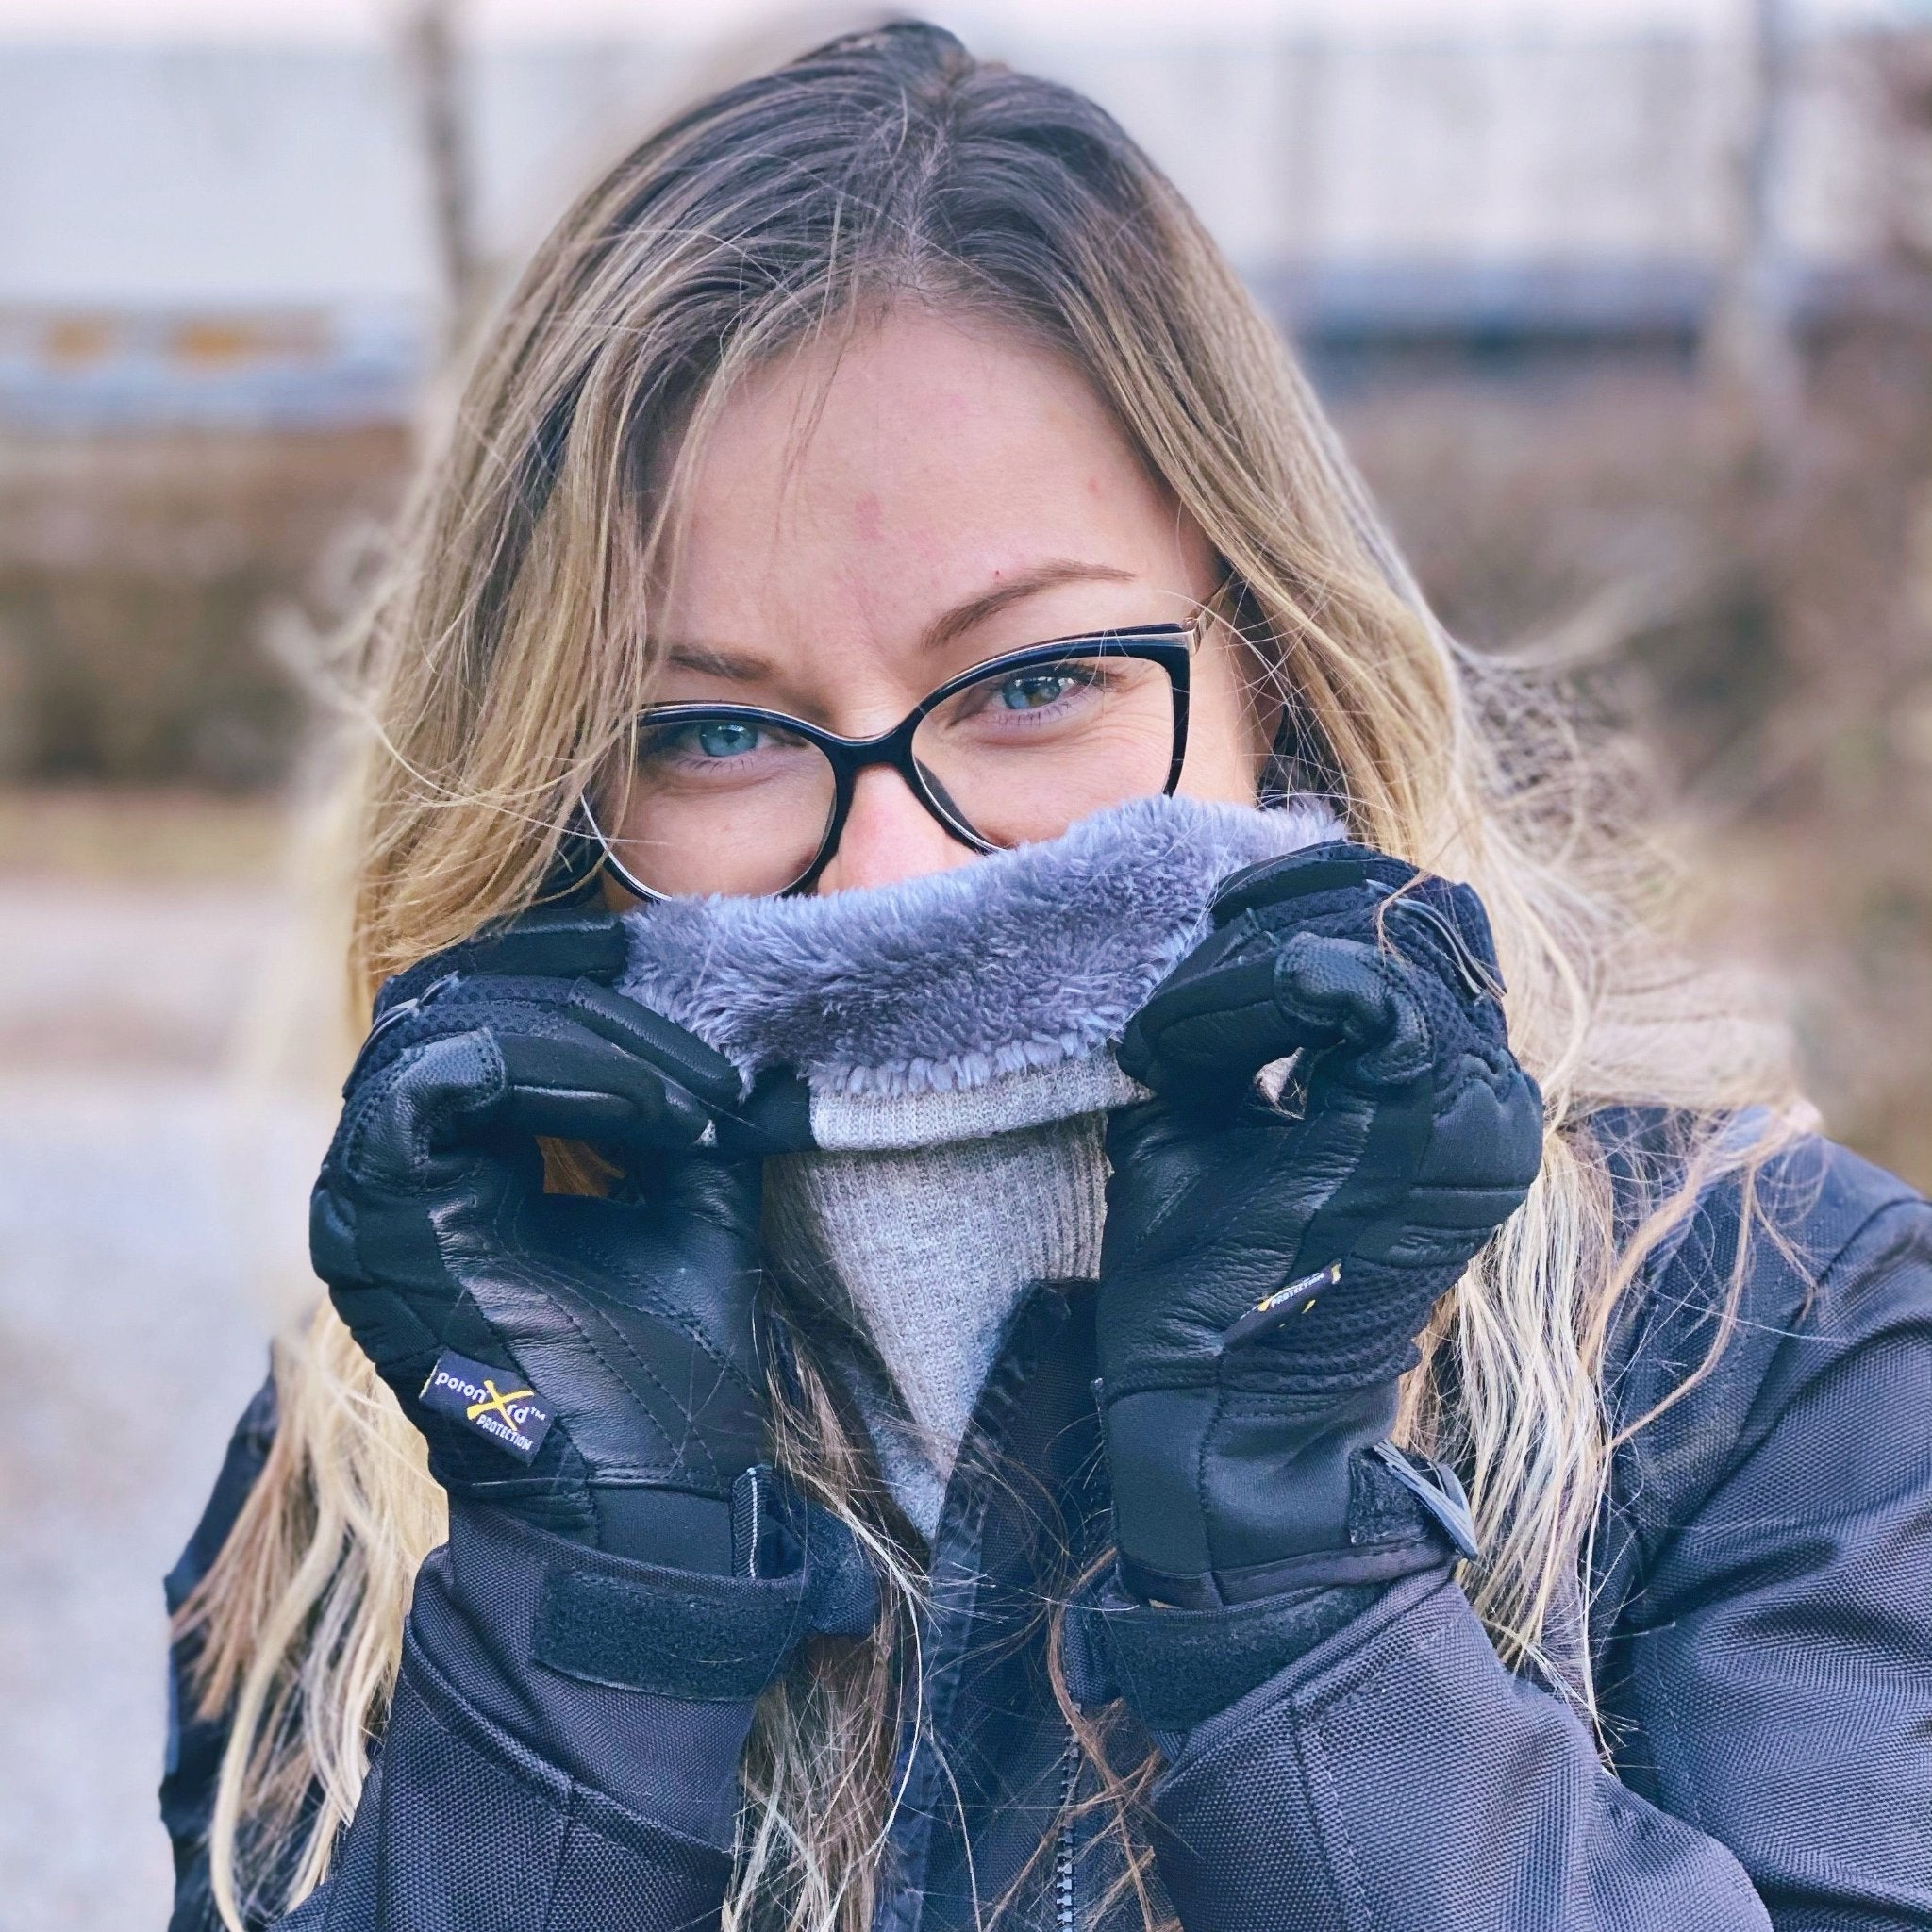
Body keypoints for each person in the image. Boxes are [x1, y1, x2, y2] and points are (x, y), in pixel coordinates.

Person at [161, 24, 1932, 1932]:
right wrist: (589, 1642)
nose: (893, 872)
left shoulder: (1765, 1347)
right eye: (713, 733)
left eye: (1033, 683)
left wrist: (1303, 1615)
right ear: (560, 805)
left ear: (1273, 660)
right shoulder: (400, 1453)